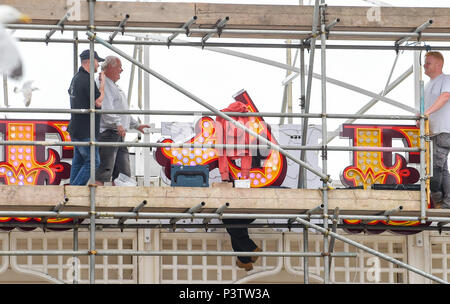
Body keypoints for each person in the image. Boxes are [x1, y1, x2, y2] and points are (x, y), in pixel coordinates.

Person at [95, 56, 150, 185]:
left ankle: (118, 199)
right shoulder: (104, 83)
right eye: (119, 67)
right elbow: (106, 109)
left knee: (123, 173)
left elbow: (122, 110)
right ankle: (97, 200)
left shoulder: (112, 85)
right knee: (104, 171)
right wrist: (118, 124)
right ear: (110, 67)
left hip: (117, 134)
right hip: (109, 133)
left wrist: (136, 125)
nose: (121, 70)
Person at [67, 49, 105, 185]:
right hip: (86, 129)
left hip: (76, 127)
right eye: (97, 61)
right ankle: (74, 190)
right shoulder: (87, 79)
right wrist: (103, 84)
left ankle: (72, 189)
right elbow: (98, 101)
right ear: (90, 61)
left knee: (79, 161)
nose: (98, 65)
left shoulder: (76, 78)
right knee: (93, 162)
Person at [423, 51, 450, 209]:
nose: (425, 66)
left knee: (436, 167)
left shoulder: (446, 79)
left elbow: (445, 96)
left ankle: (439, 199)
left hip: (444, 130)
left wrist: (426, 113)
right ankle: (445, 202)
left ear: (439, 65)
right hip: (434, 132)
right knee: (441, 167)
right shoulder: (428, 84)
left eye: (428, 62)